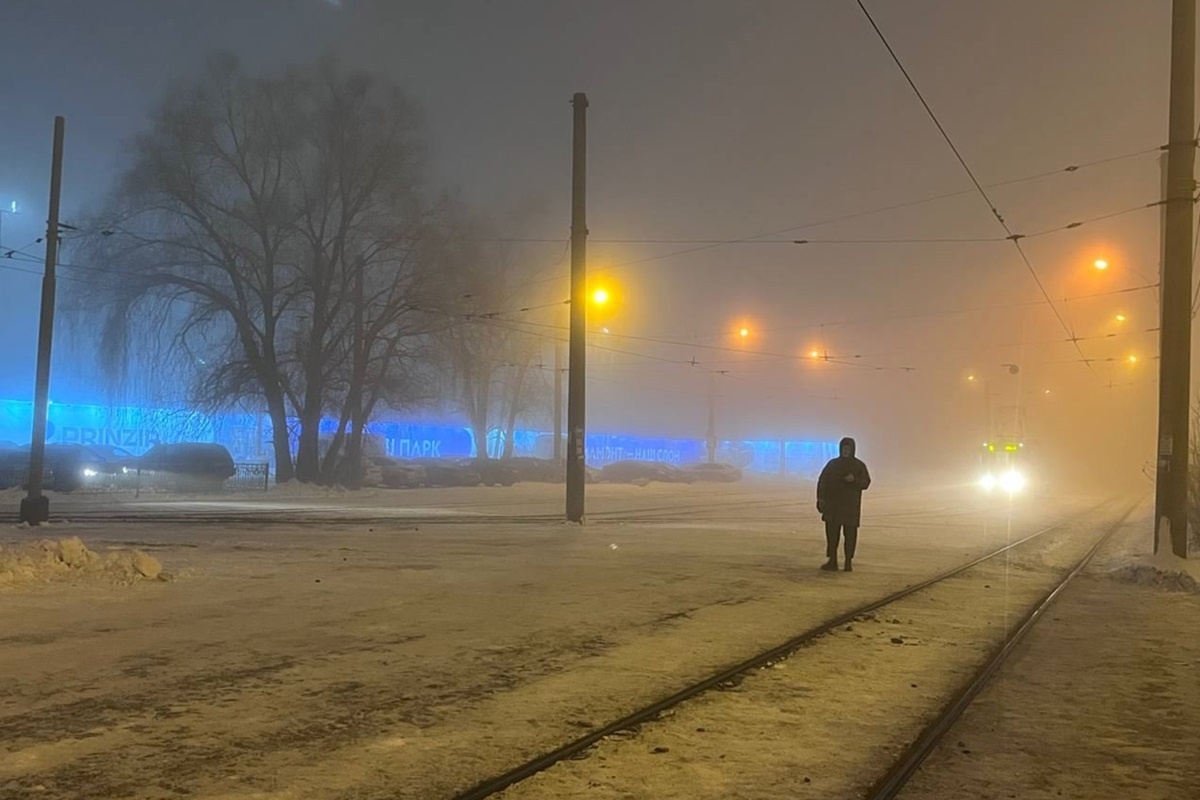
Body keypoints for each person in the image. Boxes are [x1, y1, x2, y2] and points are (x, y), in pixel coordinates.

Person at [816, 436, 871, 572]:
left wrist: (854, 480)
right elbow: (822, 482)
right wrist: (821, 499)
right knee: (832, 535)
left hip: (850, 507)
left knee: (850, 535)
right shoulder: (832, 465)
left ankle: (848, 562)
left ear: (852, 450)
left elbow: (866, 482)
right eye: (844, 448)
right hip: (833, 507)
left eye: (848, 449)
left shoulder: (859, 466)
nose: (846, 451)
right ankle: (832, 560)